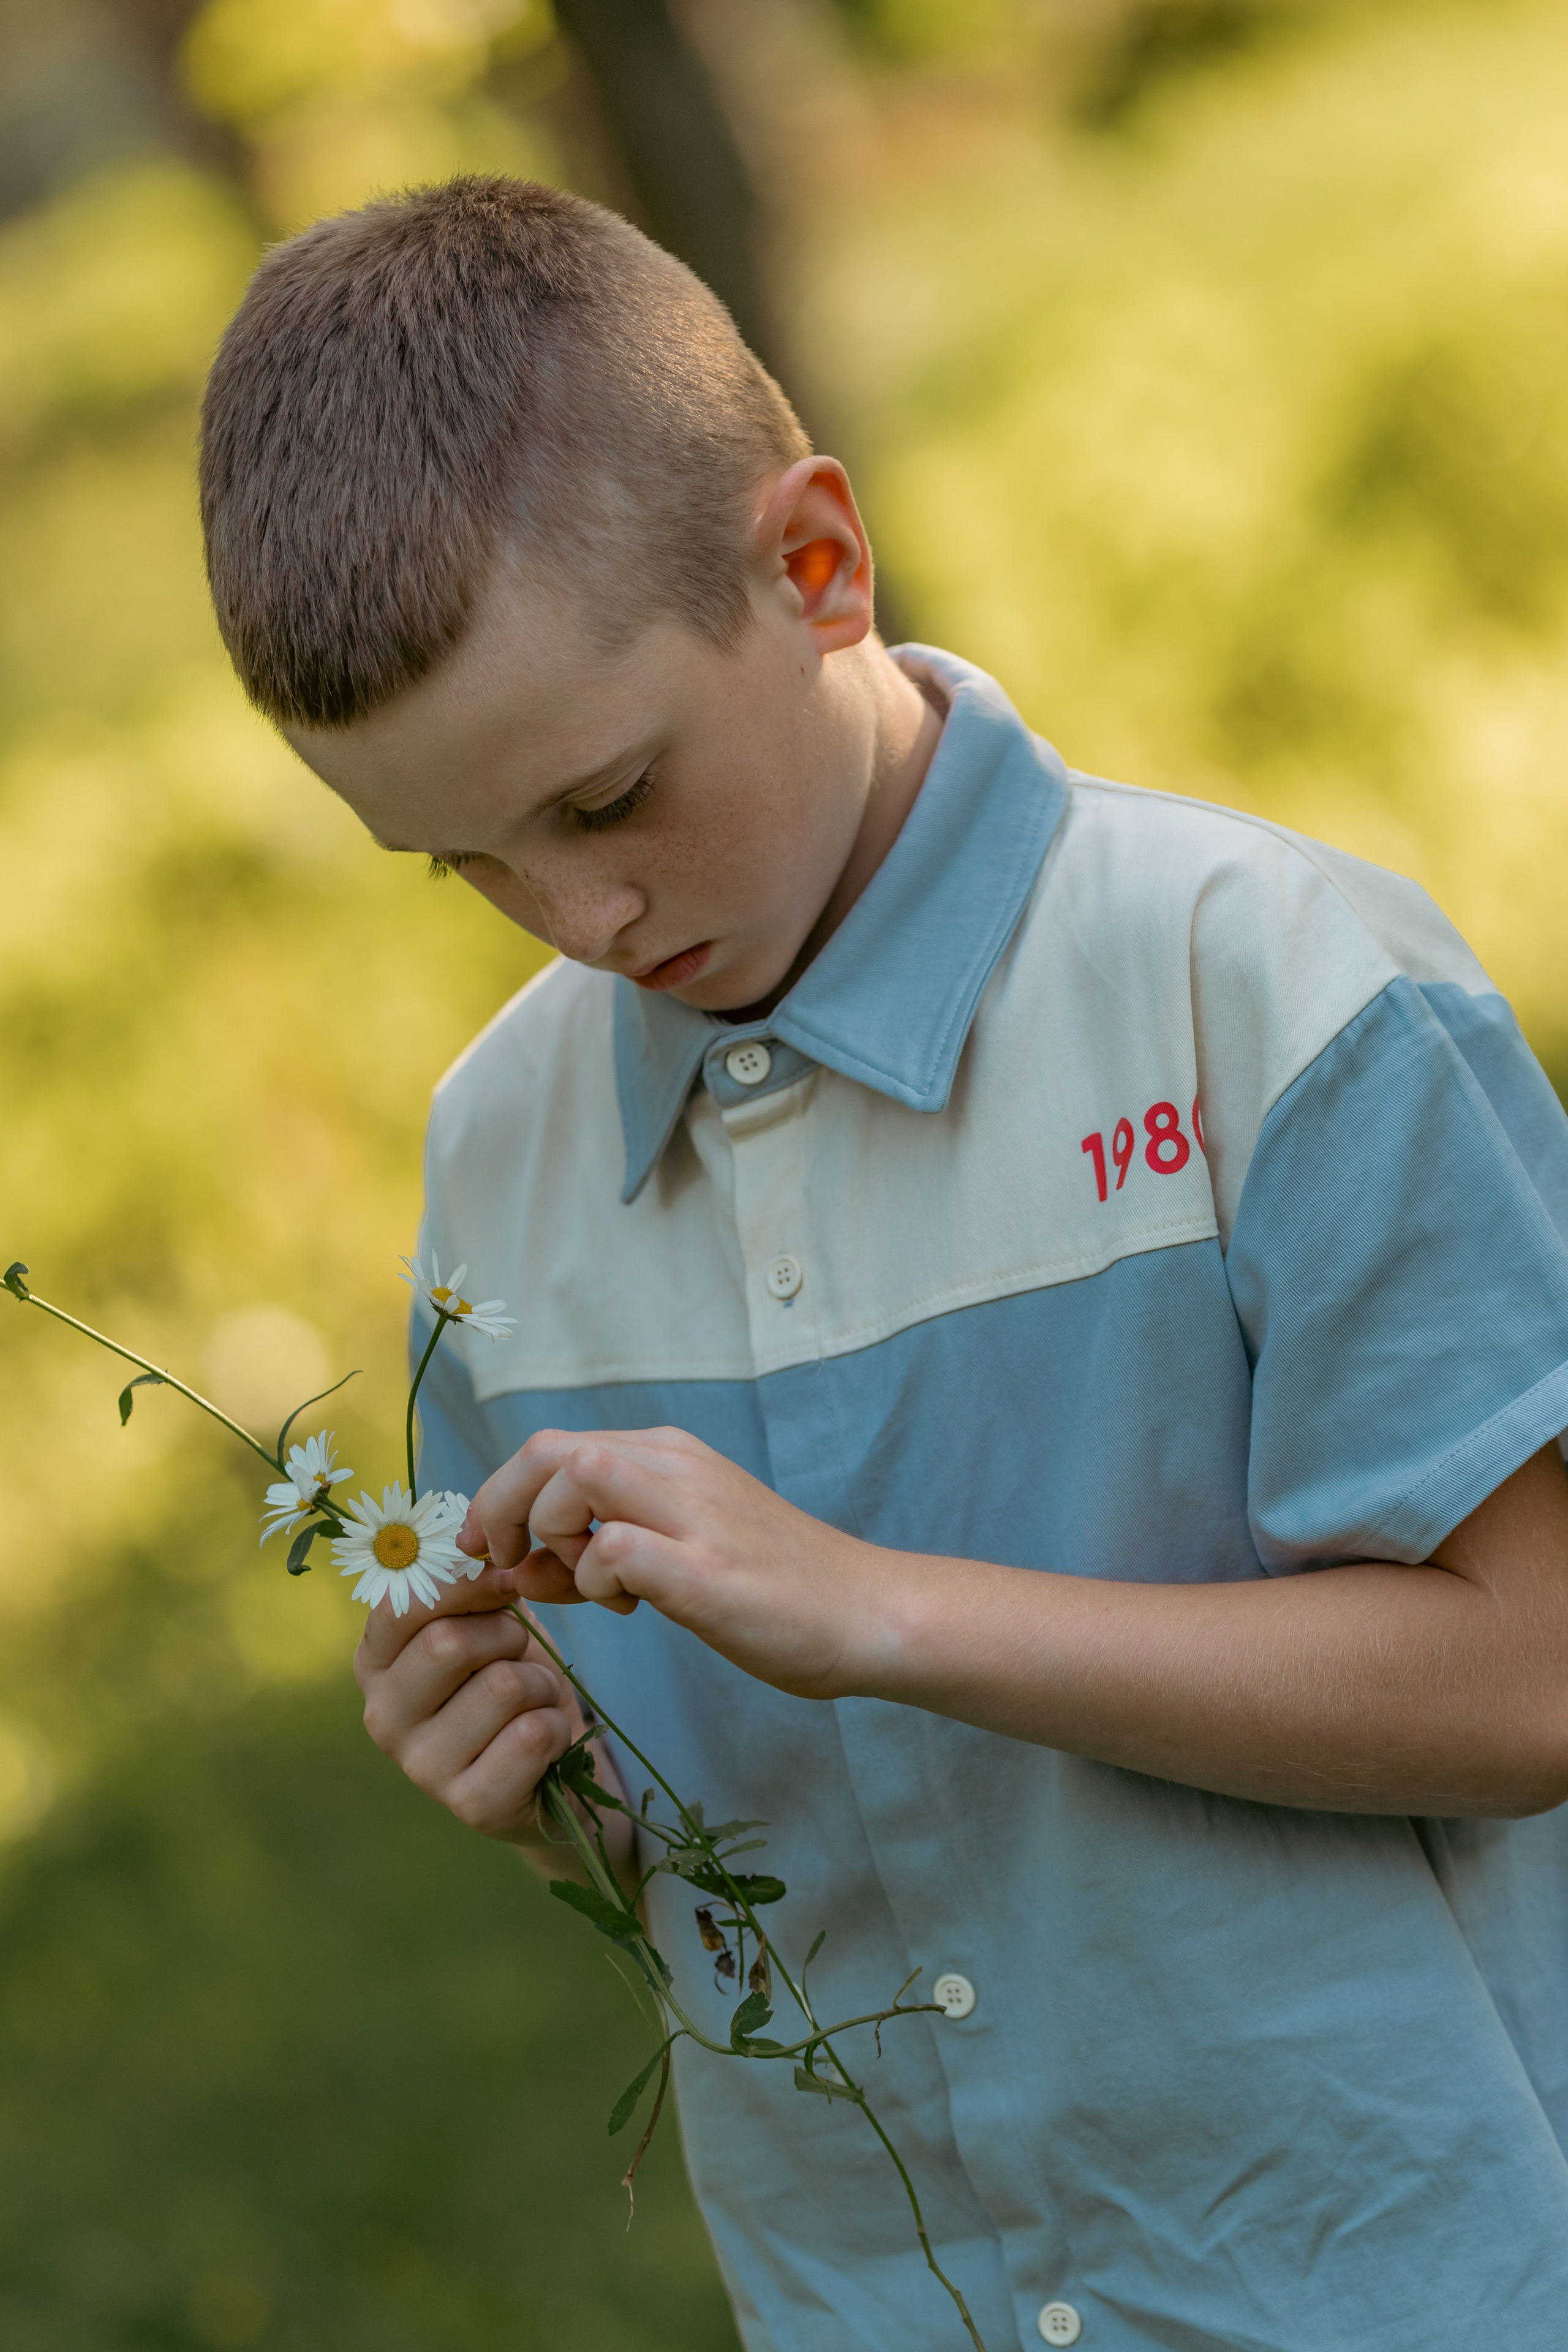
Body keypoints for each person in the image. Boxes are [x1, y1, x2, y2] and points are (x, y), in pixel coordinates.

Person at [199, 176, 1568, 2351]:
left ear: (816, 564)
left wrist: (880, 1612)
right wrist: (545, 1787)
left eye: (611, 795)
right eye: (456, 862)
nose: (580, 925)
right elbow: (713, 1841)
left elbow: (1530, 1683)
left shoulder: (1270, 997)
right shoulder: (503, 1159)